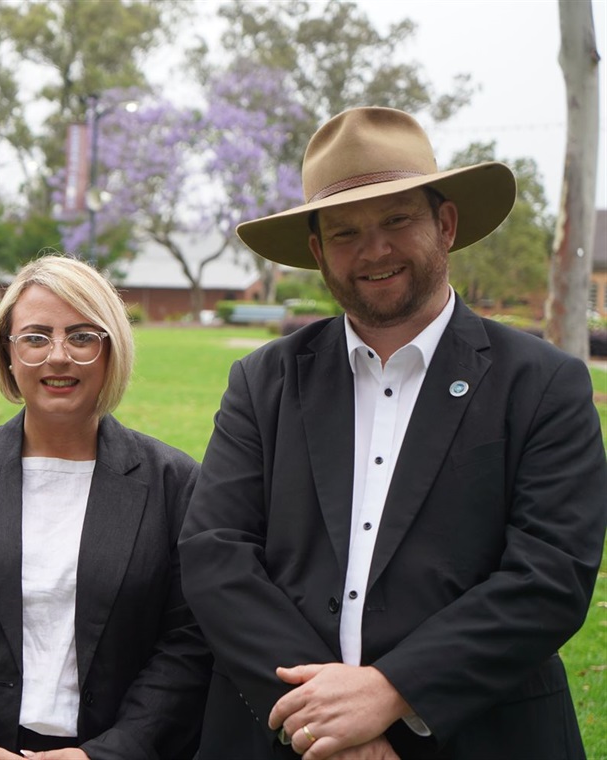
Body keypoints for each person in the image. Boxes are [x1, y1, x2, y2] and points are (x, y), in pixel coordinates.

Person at [179, 106, 607, 759]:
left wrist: (391, 692)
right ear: (318, 252)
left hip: (480, 736)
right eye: (345, 232)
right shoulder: (265, 381)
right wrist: (325, 718)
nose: (374, 250)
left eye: (397, 220)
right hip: (282, 735)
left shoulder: (543, 384)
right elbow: (215, 552)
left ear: (447, 223)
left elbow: (549, 576)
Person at [0, 255, 210, 760]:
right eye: (34, 337)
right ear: (7, 355)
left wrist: (108, 753)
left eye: (81, 336)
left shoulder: (173, 483)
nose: (58, 356)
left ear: (110, 351)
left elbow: (189, 642)